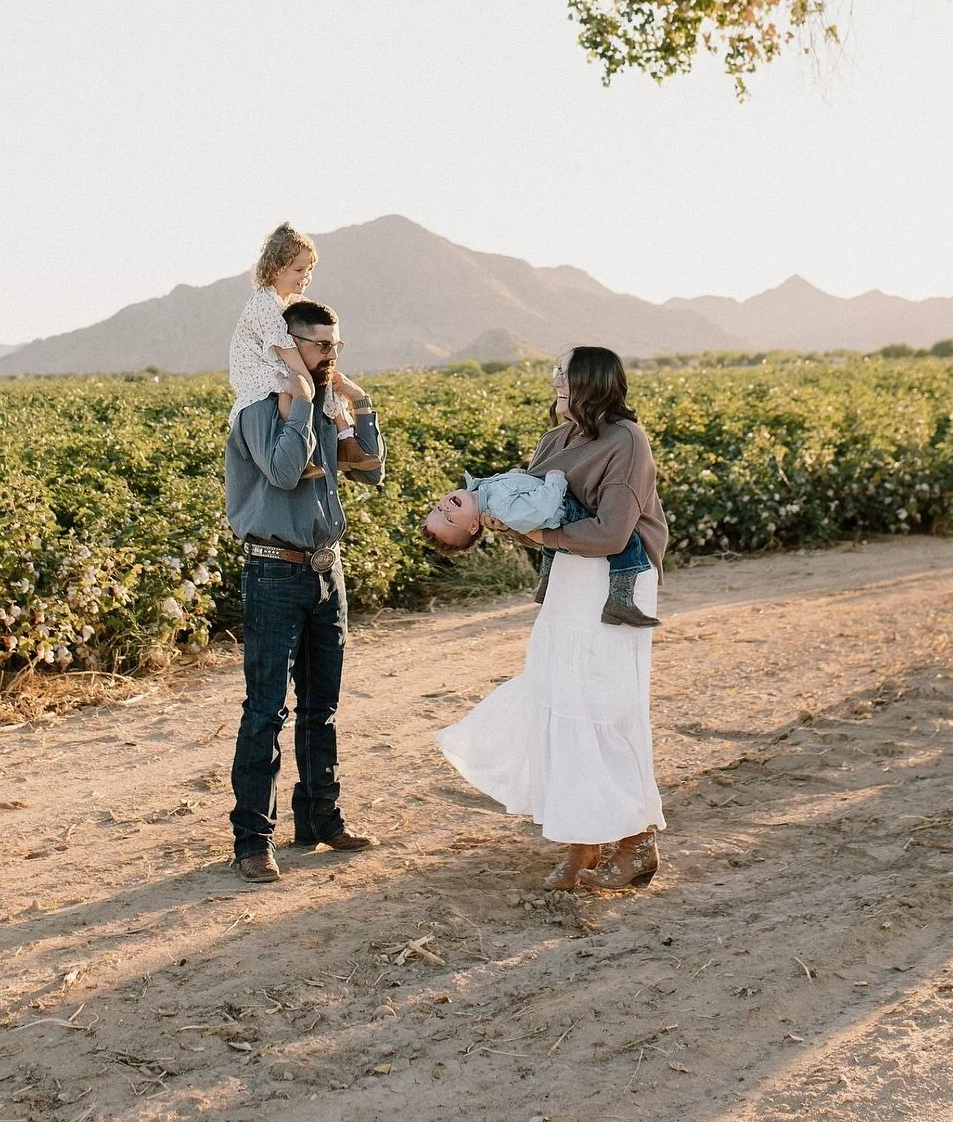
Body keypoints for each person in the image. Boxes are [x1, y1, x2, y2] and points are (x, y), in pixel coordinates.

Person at [436, 346, 668, 892]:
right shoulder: (556, 440)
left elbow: (612, 533)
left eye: (562, 374)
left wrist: (538, 534)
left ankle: (636, 843)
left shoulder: (627, 442)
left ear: (590, 383)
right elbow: (529, 506)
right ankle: (583, 842)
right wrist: (477, 516)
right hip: (571, 576)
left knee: (605, 705)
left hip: (617, 581)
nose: (554, 381)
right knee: (560, 695)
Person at [224, 297, 386, 883]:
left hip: (326, 568)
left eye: (335, 347)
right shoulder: (259, 412)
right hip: (273, 571)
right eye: (319, 347)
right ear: (288, 347)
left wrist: (360, 404)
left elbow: (371, 470)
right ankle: (252, 840)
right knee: (265, 711)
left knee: (322, 707)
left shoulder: (324, 405)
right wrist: (301, 405)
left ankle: (319, 819)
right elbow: (287, 472)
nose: (329, 357)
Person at [423, 467, 659, 626]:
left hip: (554, 514)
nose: (446, 509)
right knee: (626, 539)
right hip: (565, 512)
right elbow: (545, 507)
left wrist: (518, 473)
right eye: (450, 520)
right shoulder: (501, 508)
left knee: (551, 546)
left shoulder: (482, 490)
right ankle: (620, 600)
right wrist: (556, 478)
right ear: (474, 526)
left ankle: (546, 583)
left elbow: (517, 485)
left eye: (438, 509)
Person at [228, 222, 373, 473]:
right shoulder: (264, 303)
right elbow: (286, 350)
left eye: (309, 270)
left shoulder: (294, 302)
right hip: (257, 369)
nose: (305, 277)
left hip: (277, 363)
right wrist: (306, 387)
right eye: (299, 270)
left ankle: (346, 438)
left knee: (328, 382)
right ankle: (296, 447)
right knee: (293, 391)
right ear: (275, 269)